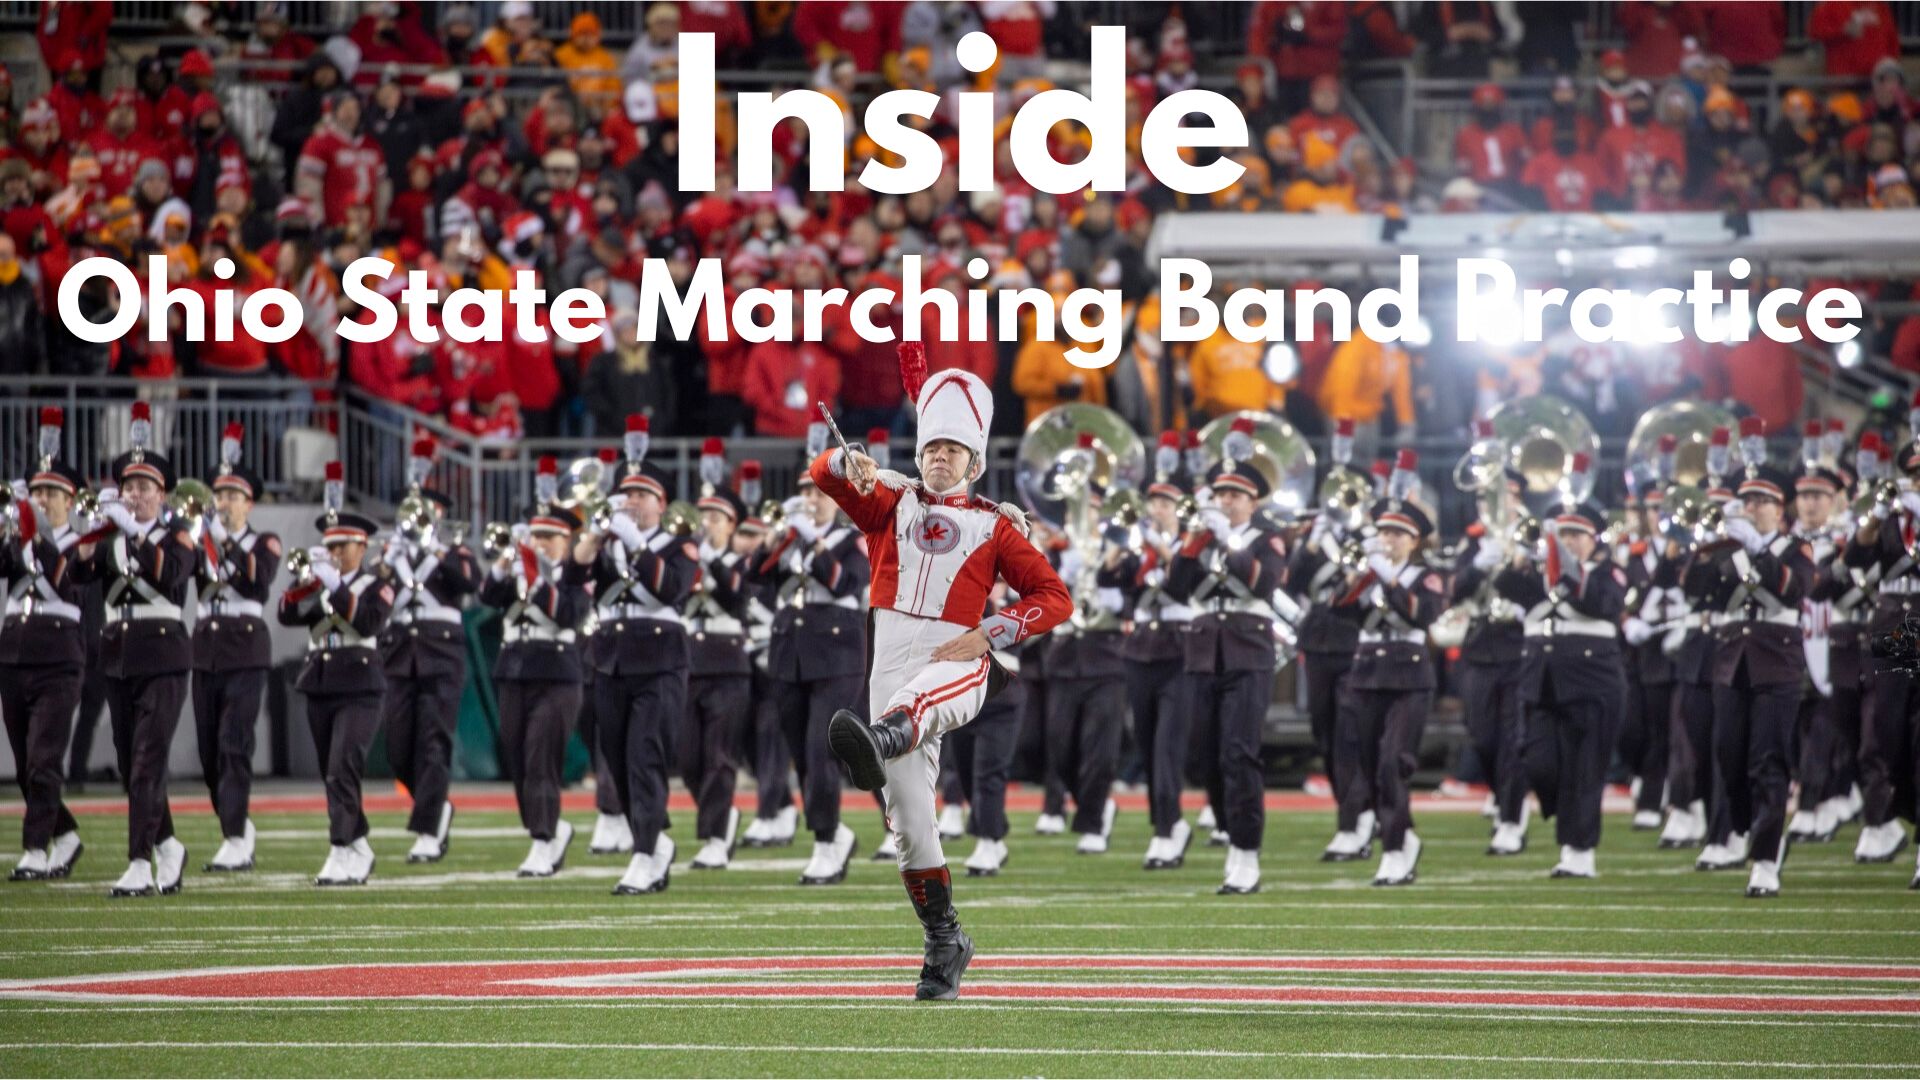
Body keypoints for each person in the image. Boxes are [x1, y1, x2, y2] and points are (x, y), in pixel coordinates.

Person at [822, 349, 1072, 1002]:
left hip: (958, 655)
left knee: (921, 700)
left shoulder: (996, 522)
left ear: (974, 459)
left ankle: (876, 740)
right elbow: (824, 475)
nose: (939, 457)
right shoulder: (892, 499)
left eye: (953, 450)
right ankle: (944, 938)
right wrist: (846, 463)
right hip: (889, 655)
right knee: (908, 821)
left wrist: (992, 632)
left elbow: (1056, 597)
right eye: (932, 445)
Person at [1165, 419, 1300, 895]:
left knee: (1239, 753)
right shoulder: (1204, 536)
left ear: (1253, 501)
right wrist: (1194, 542)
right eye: (1220, 494)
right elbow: (1173, 587)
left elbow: (1265, 582)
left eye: (1235, 495)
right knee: (1203, 755)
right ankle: (1227, 829)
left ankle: (1246, 851)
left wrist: (1227, 539)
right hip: (1203, 651)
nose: (1225, 502)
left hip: (1248, 650)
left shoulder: (1267, 538)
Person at [72, 403, 195, 898]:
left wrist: (134, 530)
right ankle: (167, 844)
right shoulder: (111, 539)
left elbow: (171, 576)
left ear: (161, 495)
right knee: (129, 761)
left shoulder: (177, 535)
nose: (134, 495)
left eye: (144, 488)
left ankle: (139, 862)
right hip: (118, 654)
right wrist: (82, 541)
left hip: (163, 654)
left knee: (146, 759)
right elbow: (76, 577)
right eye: (128, 487)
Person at [1685, 427, 1813, 898]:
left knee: (1768, 760)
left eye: (1762, 502)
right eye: (1748, 501)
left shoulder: (1794, 550)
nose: (1752, 509)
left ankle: (1765, 857)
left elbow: (1791, 588)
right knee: (1729, 758)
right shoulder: (1728, 549)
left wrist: (1750, 551)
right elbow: (1693, 589)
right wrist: (1705, 546)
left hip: (1776, 662)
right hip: (1730, 662)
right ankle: (1748, 830)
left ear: (1781, 511)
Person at [575, 416, 699, 896]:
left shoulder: (677, 544)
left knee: (645, 754)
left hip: (660, 660)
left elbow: (671, 589)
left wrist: (634, 541)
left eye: (641, 495)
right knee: (617, 759)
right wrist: (592, 537)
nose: (631, 502)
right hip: (610, 658)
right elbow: (570, 581)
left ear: (661, 504)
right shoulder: (610, 544)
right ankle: (652, 840)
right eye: (626, 495)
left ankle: (645, 851)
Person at [747, 427, 869, 885]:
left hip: (836, 656)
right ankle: (832, 834)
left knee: (821, 750)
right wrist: (772, 540)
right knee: (799, 751)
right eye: (804, 493)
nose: (810, 501)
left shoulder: (851, 539)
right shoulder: (791, 539)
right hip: (790, 653)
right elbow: (754, 577)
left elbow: (843, 582)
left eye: (818, 493)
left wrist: (813, 542)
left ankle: (824, 840)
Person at [1495, 467, 1628, 881]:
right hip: (1542, 682)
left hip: (1593, 682)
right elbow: (1504, 585)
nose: (1569, 544)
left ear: (1593, 540)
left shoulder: (1607, 574)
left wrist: (1565, 565)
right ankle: (1564, 826)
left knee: (1585, 769)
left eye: (1577, 536)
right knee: (1539, 763)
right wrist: (1523, 553)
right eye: (1562, 536)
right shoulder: (1537, 577)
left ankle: (1579, 848)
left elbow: (1601, 604)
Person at [276, 464, 392, 886]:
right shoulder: (320, 584)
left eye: (343, 546)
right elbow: (286, 614)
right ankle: (357, 841)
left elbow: (367, 623)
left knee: (343, 766)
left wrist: (335, 588)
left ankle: (341, 847)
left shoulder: (378, 584)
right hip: (321, 678)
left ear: (361, 547)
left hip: (361, 683)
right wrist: (307, 584)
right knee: (332, 769)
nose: (336, 554)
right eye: (330, 547)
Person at [1336, 452, 1448, 887]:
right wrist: (1355, 578)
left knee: (1391, 764)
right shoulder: (1369, 573)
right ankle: (1404, 837)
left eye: (1398, 534)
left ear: (1414, 540)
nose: (1389, 540)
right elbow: (1337, 611)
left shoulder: (1426, 576)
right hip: (1366, 674)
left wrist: (1386, 577)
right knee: (1368, 765)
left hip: (1408, 675)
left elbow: (1423, 616)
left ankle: (1396, 848)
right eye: (1384, 531)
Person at [479, 458, 591, 878]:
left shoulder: (577, 577)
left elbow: (568, 615)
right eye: (536, 536)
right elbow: (488, 596)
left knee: (542, 757)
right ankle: (549, 829)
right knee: (519, 760)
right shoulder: (519, 572)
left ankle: (543, 840)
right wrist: (508, 562)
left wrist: (537, 577)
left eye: (549, 537)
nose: (541, 544)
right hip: (515, 670)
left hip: (558, 673)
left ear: (566, 540)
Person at [378, 438, 481, 864]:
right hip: (400, 651)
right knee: (399, 745)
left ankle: (426, 830)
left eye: (425, 512)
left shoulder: (451, 551)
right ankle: (435, 806)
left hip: (441, 653)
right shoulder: (391, 553)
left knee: (434, 742)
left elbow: (469, 582)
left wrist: (435, 548)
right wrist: (387, 562)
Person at [192, 423, 282, 872]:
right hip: (205, 648)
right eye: (218, 494)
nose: (223, 503)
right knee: (210, 754)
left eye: (232, 495)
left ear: (249, 502)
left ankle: (233, 837)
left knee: (234, 743)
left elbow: (258, 580)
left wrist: (222, 539)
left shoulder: (264, 542)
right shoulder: (200, 541)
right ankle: (238, 825)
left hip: (245, 649)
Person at [2, 408, 88, 881]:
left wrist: (39, 540)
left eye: (52, 493)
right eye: (36, 492)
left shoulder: (80, 541)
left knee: (43, 758)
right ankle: (66, 832)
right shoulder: (20, 541)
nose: (42, 499)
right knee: (23, 765)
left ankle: (36, 847)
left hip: (58, 658)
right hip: (15, 652)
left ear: (69, 499)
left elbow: (70, 583)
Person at [1117, 435, 1199, 869]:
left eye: (1165, 503)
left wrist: (1161, 549)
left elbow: (1183, 584)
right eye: (1153, 503)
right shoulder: (1137, 544)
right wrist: (1116, 550)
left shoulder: (1191, 546)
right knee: (1148, 745)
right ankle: (1166, 823)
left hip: (1179, 649)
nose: (1156, 510)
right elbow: (1115, 583)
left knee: (1167, 745)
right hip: (1141, 650)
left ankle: (1168, 829)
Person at [1844, 422, 1920, 878]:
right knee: (1885, 728)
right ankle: (1890, 813)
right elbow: (1854, 558)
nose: (1916, 484)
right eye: (1913, 476)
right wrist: (1875, 515)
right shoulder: (1894, 520)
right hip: (1897, 619)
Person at [1450, 453, 1531, 855]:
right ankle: (1504, 799)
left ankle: (1511, 818)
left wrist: (1517, 574)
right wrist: (1480, 564)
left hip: (1519, 644)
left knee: (1515, 738)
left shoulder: (1532, 537)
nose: (1496, 505)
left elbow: (1546, 587)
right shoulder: (1475, 539)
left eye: (1505, 496)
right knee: (1483, 737)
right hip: (1481, 644)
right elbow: (1453, 589)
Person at [681, 448, 754, 870]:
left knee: (718, 754)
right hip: (690, 662)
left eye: (714, 518)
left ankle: (713, 835)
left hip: (727, 665)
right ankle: (721, 815)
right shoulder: (688, 561)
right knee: (688, 755)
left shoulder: (739, 563)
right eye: (702, 517)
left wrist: (707, 557)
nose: (705, 525)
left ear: (731, 525)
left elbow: (733, 596)